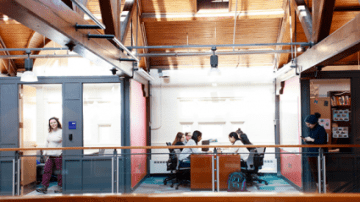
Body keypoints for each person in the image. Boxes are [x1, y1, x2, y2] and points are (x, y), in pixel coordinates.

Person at [36, 117, 63, 194]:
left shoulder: (61, 131)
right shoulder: (50, 133)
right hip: (50, 155)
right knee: (46, 171)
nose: (53, 124)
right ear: (49, 125)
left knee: (59, 172)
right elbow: (47, 143)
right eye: (51, 123)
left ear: (57, 122)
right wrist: (45, 154)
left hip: (58, 155)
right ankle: (44, 187)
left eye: (54, 122)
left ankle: (61, 187)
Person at [302, 112, 327, 189]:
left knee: (321, 171)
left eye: (309, 124)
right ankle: (318, 185)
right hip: (311, 152)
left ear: (314, 123)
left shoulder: (321, 129)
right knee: (314, 170)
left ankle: (325, 186)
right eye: (307, 124)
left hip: (319, 153)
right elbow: (312, 140)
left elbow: (323, 142)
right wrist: (306, 140)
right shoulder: (310, 129)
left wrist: (312, 140)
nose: (308, 126)